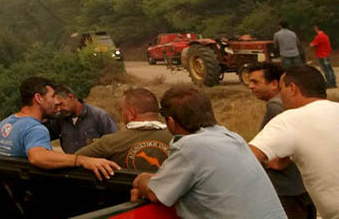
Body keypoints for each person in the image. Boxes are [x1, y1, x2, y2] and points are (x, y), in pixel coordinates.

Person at [131, 85, 286, 219]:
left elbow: (155, 193)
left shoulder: (190, 146)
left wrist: (142, 179)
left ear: (171, 121)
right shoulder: (232, 138)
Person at [250, 66, 339, 219]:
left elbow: (245, 158)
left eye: (281, 88)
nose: (280, 95)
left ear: (292, 88)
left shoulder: (288, 120)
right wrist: (285, 157)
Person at [0, 77, 120, 180]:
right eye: (52, 96)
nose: (55, 102)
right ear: (38, 98)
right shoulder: (36, 129)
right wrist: (82, 160)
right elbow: (38, 157)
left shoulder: (4, 124)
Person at [246, 63, 315, 219]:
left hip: (287, 186)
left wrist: (281, 161)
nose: (250, 86)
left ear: (274, 84)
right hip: (302, 184)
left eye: (255, 82)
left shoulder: (275, 107)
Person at [75, 88, 171, 171]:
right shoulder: (178, 138)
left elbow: (75, 158)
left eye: (122, 110)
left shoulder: (110, 142)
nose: (122, 113)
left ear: (131, 114)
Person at [48, 84, 118, 153]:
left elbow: (114, 144)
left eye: (61, 104)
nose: (59, 109)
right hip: (71, 163)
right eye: (56, 106)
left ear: (71, 96)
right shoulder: (59, 119)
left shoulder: (100, 116)